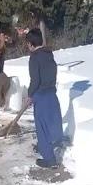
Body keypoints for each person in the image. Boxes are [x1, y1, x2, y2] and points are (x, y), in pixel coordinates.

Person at [24, 28, 64, 168]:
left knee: (42, 128)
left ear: (31, 43)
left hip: (40, 95)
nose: (27, 46)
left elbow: (35, 80)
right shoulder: (49, 53)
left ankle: (49, 159)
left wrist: (29, 95)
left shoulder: (34, 57)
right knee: (53, 122)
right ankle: (49, 145)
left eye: (27, 43)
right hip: (52, 94)